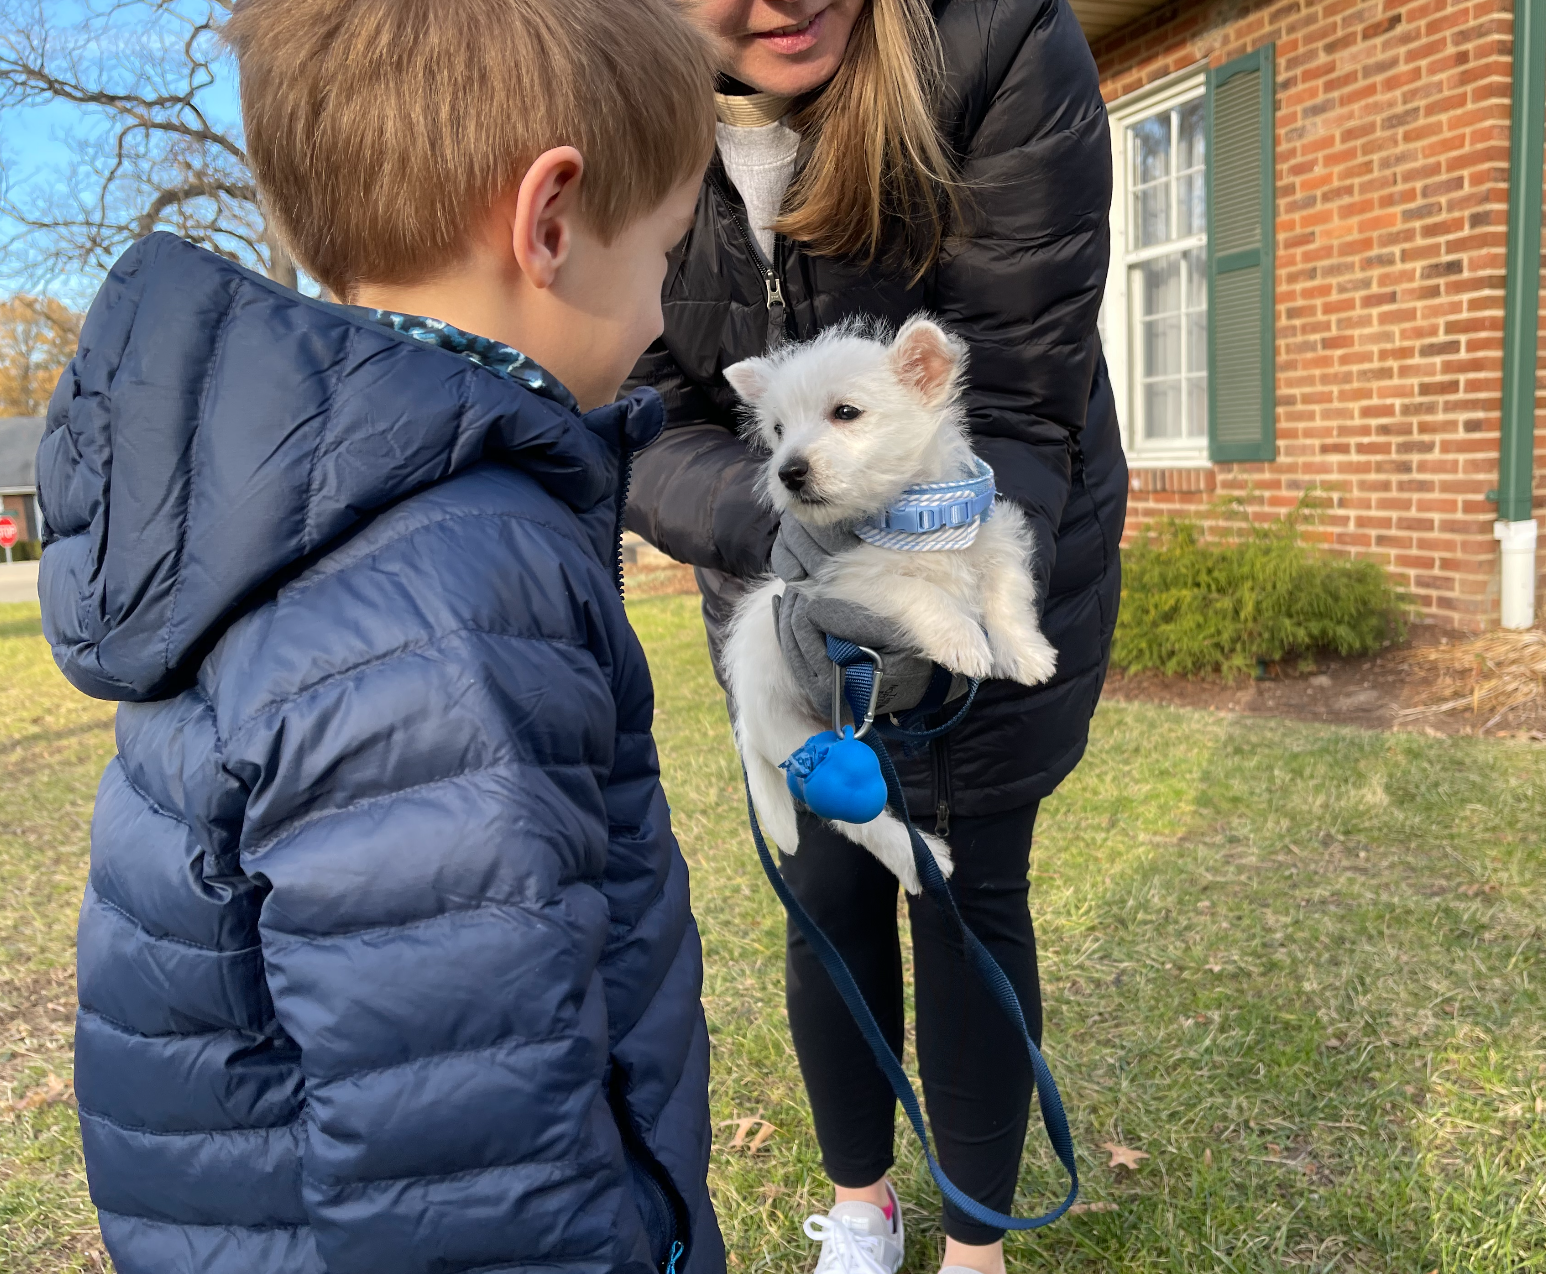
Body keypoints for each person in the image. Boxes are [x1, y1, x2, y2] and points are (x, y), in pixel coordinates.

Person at [36, 2, 725, 1271]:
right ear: (550, 220)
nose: (657, 319)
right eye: (665, 253)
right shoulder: (453, 581)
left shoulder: (291, 508)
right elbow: (477, 1152)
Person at [625, 2, 1127, 1273]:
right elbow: (646, 411)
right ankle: (862, 1206)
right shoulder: (606, 96)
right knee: (826, 892)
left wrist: (936, 583)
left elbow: (1020, 393)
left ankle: (975, 1247)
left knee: (965, 897)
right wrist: (798, 539)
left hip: (991, 544)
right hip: (778, 582)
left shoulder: (993, 36)